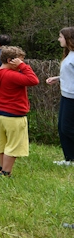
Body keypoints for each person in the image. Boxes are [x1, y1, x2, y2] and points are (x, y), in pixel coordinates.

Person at [0, 46, 39, 177]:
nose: (21, 64)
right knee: (13, 145)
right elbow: (34, 80)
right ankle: (5, 173)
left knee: (1, 143)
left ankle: (1, 168)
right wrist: (23, 67)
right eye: (19, 61)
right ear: (10, 60)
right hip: (14, 116)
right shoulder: (12, 76)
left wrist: (20, 65)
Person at [47, 28, 74, 165]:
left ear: (68, 38)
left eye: (60, 37)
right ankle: (70, 159)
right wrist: (58, 78)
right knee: (62, 128)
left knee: (67, 128)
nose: (59, 39)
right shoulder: (69, 54)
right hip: (66, 95)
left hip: (72, 98)